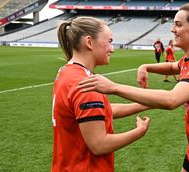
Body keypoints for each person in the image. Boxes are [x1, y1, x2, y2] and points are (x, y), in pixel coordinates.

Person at [78, 3, 189, 172]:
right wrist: (145, 66)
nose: (173, 29)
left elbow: (171, 100)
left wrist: (114, 87)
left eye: (178, 24)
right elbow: (172, 67)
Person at [51, 16, 150, 172]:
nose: (112, 48)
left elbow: (100, 112)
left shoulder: (66, 72)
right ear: (89, 42)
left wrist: (143, 104)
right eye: (109, 41)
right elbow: (99, 144)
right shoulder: (86, 85)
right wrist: (139, 132)